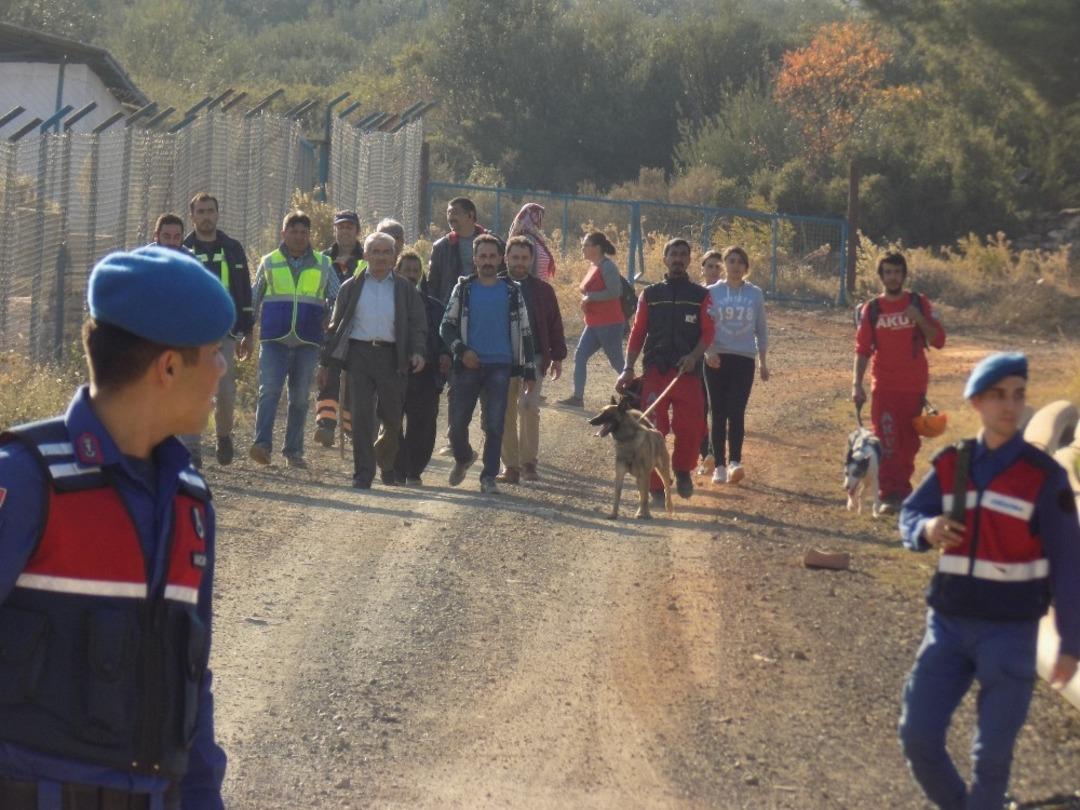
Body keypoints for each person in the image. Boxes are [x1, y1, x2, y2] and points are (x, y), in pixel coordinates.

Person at [0, 245, 232, 810]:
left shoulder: (190, 502)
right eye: (213, 354)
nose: (223, 369)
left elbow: (191, 686)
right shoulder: (29, 479)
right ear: (169, 368)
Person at [897, 352, 1079, 810]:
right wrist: (927, 529)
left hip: (1011, 633)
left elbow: (1069, 564)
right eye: (998, 395)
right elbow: (911, 513)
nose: (1010, 406)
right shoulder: (953, 464)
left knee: (991, 760)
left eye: (1018, 395)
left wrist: (1072, 643)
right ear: (976, 401)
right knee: (917, 735)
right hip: (949, 628)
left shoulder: (1046, 477)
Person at [318, 232, 426, 489]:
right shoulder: (351, 287)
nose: (380, 257)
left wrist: (418, 350)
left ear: (394, 256)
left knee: (391, 417)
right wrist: (327, 361)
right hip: (359, 356)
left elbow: (417, 324)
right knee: (361, 417)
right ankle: (363, 473)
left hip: (392, 357)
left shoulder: (404, 289)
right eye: (375, 252)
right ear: (365, 255)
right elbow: (336, 326)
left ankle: (386, 462)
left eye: (385, 252)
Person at [617, 238, 714, 501]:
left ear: (689, 260)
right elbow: (637, 334)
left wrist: (695, 356)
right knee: (651, 431)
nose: (678, 259)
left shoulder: (701, 296)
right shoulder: (650, 295)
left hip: (687, 372)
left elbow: (708, 333)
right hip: (655, 372)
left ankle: (682, 471)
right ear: (664, 259)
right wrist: (627, 368)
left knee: (691, 426)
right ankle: (657, 487)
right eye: (673, 254)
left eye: (683, 254)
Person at [441, 234, 536, 493]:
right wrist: (461, 351)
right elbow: (446, 326)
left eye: (492, 256)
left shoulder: (511, 292)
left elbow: (525, 332)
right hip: (468, 365)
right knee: (457, 425)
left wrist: (529, 371)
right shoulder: (463, 289)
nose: (487, 261)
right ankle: (464, 457)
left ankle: (488, 477)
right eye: (482, 256)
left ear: (500, 259)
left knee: (495, 424)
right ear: (474, 259)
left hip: (501, 366)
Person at [853, 252, 945, 514]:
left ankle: (902, 490)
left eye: (897, 272)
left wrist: (917, 318)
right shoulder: (872, 309)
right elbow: (862, 350)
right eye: (888, 272)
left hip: (914, 386)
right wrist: (856, 384)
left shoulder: (919, 303)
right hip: (883, 385)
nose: (892, 277)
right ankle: (889, 493)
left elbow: (938, 339)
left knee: (908, 442)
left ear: (904, 275)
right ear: (881, 276)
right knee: (885, 438)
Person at [250, 211, 340, 468]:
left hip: (308, 341)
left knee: (300, 397)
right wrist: (246, 331)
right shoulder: (269, 261)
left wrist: (330, 319)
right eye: (294, 231)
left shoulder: (323, 263)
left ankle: (293, 451)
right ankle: (262, 445)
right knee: (268, 391)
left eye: (304, 232)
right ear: (283, 233)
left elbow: (336, 297)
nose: (299, 237)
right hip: (274, 339)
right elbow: (255, 297)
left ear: (309, 235)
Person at [182, 192, 254, 466]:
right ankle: (193, 450)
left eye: (210, 211)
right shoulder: (184, 250)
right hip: (192, 334)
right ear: (192, 216)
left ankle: (224, 435)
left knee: (224, 390)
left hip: (225, 331)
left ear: (218, 214)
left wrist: (247, 332)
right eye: (200, 212)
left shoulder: (232, 249)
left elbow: (244, 291)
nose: (206, 216)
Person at [496, 236, 566, 484]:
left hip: (534, 358)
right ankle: (510, 466)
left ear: (532, 260)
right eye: (515, 257)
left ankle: (529, 463)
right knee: (505, 411)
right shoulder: (496, 286)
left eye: (525, 258)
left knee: (528, 406)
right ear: (506, 258)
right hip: (503, 359)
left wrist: (557, 356)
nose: (520, 262)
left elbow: (554, 324)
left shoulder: (543, 291)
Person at [703, 246, 769, 485]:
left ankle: (735, 462)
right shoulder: (710, 292)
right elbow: (703, 327)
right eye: (731, 261)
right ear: (724, 265)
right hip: (716, 357)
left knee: (736, 410)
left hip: (744, 358)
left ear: (746, 267)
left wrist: (763, 360)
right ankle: (719, 464)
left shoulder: (755, 294)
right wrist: (708, 351)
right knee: (718, 411)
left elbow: (761, 328)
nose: (736, 265)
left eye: (741, 261)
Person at [392, 250, 451, 485]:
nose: (412, 275)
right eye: (407, 270)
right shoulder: (386, 303)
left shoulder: (435, 307)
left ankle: (414, 471)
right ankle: (397, 469)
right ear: (397, 271)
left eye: (416, 271)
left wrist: (445, 354)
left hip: (426, 375)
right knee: (391, 421)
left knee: (423, 426)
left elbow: (444, 335)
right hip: (393, 371)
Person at [313, 211, 365, 449]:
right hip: (328, 327)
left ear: (357, 231)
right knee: (328, 376)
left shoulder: (367, 258)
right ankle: (325, 424)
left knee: (356, 380)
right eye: (340, 226)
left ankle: (351, 428)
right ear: (335, 230)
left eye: (350, 227)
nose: (345, 231)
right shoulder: (322, 259)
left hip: (358, 327)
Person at [558, 231, 625, 408]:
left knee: (618, 363)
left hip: (609, 323)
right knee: (580, 355)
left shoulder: (607, 267)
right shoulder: (594, 265)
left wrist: (591, 297)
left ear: (597, 248)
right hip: (594, 323)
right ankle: (577, 398)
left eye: (586, 245)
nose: (583, 248)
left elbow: (615, 291)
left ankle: (639, 394)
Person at [423, 197, 489, 304]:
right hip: (450, 307)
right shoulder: (441, 247)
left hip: (484, 304)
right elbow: (433, 285)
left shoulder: (492, 243)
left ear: (470, 215)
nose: (451, 217)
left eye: (455, 213)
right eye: (448, 213)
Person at [696, 249, 724, 473]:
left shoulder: (727, 293)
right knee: (699, 408)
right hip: (698, 357)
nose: (714, 270)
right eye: (710, 266)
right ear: (702, 268)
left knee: (718, 408)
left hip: (721, 356)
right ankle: (705, 454)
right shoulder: (696, 293)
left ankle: (715, 455)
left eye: (718, 266)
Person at [507, 202, 557, 281]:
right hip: (533, 287)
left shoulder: (536, 237)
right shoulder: (527, 238)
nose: (539, 218)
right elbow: (529, 269)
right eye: (536, 214)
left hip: (540, 286)